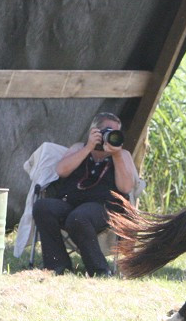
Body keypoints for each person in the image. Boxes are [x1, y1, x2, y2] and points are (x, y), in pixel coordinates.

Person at [32, 112, 138, 276]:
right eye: (107, 131)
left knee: (79, 217)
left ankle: (100, 270)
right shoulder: (79, 148)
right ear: (95, 131)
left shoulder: (123, 155)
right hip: (72, 201)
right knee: (43, 207)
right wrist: (88, 147)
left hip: (103, 206)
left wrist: (116, 154)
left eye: (116, 132)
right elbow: (61, 170)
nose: (111, 136)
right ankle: (57, 264)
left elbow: (125, 187)